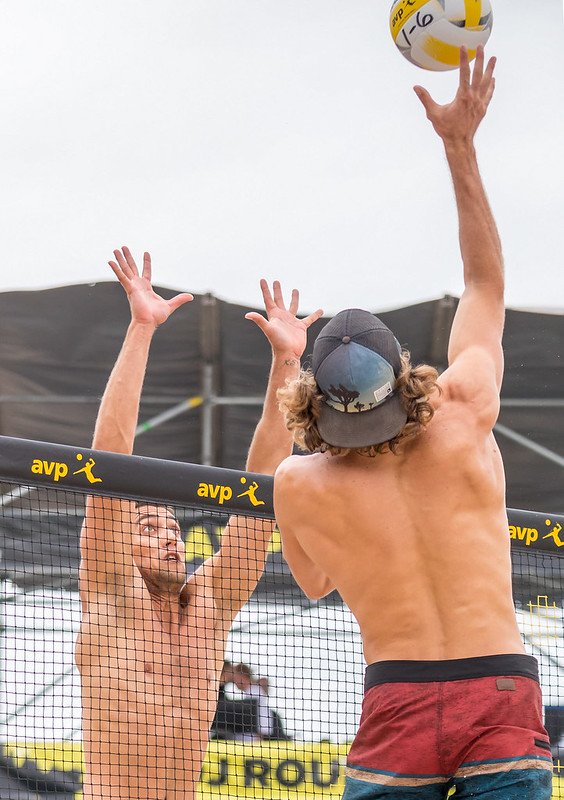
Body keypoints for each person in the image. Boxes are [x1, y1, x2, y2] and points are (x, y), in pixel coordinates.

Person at [274, 47, 553, 799]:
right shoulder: (464, 411)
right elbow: (486, 282)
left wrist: (283, 365)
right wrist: (460, 147)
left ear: (318, 406)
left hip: (396, 695)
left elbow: (314, 582)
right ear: (404, 380)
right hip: (499, 688)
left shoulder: (298, 481)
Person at [75, 246, 322, 800]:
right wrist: (142, 328)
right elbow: (109, 459)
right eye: (147, 529)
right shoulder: (111, 595)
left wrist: (288, 362)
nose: (166, 536)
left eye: (172, 529)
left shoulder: (209, 604)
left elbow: (264, 484)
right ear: (119, 545)